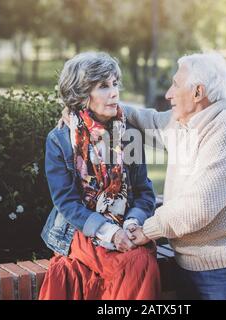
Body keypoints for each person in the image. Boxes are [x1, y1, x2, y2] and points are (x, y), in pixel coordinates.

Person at [61, 52, 226, 300]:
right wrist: (87, 109)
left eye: (175, 85)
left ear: (197, 93)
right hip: (195, 264)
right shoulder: (186, 123)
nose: (168, 94)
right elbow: (147, 119)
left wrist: (147, 230)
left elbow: (199, 207)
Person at [39, 52, 160, 300]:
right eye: (104, 86)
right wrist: (109, 232)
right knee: (128, 265)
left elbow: (144, 192)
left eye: (115, 83)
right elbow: (67, 203)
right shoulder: (60, 139)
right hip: (81, 228)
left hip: (126, 227)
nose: (114, 92)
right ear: (83, 95)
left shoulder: (129, 133)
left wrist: (131, 224)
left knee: (138, 261)